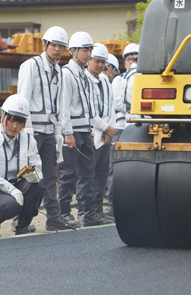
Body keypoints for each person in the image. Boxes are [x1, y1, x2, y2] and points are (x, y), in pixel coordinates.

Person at [17, 26, 79, 230]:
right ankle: (20, 219)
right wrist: (25, 129)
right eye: (54, 45)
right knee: (29, 174)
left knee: (52, 174)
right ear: (45, 45)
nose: (57, 49)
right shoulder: (31, 66)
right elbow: (23, 98)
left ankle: (53, 217)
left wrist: (60, 131)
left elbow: (61, 105)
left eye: (61, 46)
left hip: (50, 131)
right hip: (32, 130)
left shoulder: (59, 70)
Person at [0, 94, 44, 238]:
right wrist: (11, 190)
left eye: (20, 122)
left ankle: (23, 225)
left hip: (17, 185)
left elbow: (37, 167)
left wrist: (34, 176)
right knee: (11, 204)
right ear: (3, 115)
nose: (14, 126)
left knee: (38, 187)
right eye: (11, 120)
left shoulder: (29, 140)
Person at [58, 31, 107, 227]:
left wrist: (91, 132)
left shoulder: (84, 75)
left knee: (88, 172)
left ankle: (86, 212)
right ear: (73, 51)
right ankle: (63, 212)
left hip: (85, 131)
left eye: (89, 50)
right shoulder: (66, 73)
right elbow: (63, 105)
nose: (88, 54)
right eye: (85, 50)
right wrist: (67, 132)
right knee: (68, 172)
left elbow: (89, 107)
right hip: (72, 132)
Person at [104, 43, 139, 217]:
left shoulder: (140, 78)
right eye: (129, 59)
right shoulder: (119, 79)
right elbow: (117, 104)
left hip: (137, 126)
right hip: (120, 127)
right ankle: (111, 202)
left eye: (135, 58)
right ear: (124, 62)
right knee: (115, 167)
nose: (133, 62)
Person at [86, 43, 116, 223]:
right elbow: (90, 111)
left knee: (102, 173)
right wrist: (106, 128)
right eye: (96, 61)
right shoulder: (84, 79)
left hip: (106, 133)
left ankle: (98, 208)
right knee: (89, 174)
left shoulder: (105, 80)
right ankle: (88, 211)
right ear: (89, 59)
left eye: (102, 62)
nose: (99, 65)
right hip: (92, 132)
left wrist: (109, 130)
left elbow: (110, 106)